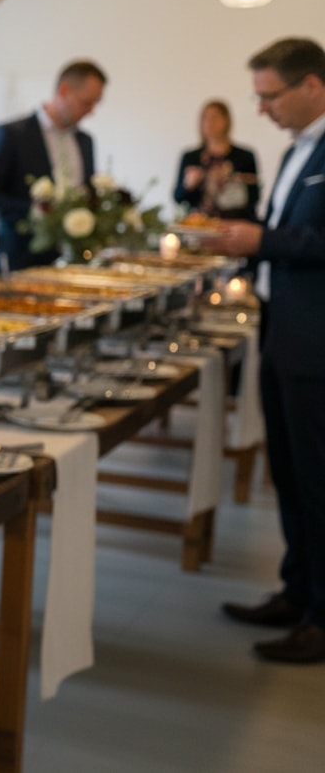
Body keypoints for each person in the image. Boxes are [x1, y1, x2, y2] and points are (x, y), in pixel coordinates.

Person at [203, 37, 325, 664]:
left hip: (316, 341)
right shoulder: (298, 150)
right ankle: (297, 589)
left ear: (312, 87)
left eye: (269, 95)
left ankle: (321, 617)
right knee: (291, 474)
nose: (262, 108)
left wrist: (262, 239)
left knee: (317, 478)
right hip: (285, 329)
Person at [0, 59, 107, 271]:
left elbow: (89, 193)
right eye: (87, 102)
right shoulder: (12, 134)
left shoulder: (85, 141)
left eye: (95, 103)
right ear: (64, 90)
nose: (91, 111)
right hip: (21, 258)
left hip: (73, 259)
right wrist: (37, 212)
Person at [174, 99, 261, 221]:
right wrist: (189, 185)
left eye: (215, 118)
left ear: (226, 121)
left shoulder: (244, 156)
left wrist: (232, 180)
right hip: (199, 225)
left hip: (235, 225)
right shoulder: (191, 157)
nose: (210, 123)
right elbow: (178, 198)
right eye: (206, 119)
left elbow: (254, 197)